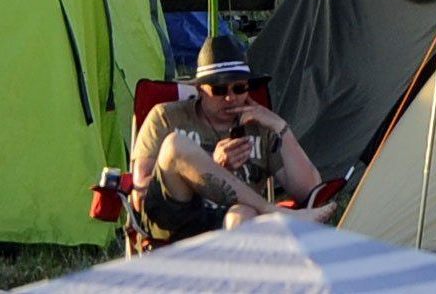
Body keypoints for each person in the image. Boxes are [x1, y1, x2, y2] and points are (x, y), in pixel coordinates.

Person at [129, 35, 324, 242]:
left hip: (228, 225)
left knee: (243, 215)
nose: (231, 98)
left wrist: (281, 127)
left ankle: (234, 270)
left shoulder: (260, 127)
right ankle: (270, 210)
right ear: (199, 89)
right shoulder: (166, 116)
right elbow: (140, 190)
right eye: (219, 89)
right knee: (175, 144)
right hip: (174, 220)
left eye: (239, 88)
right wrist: (211, 165)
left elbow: (310, 191)